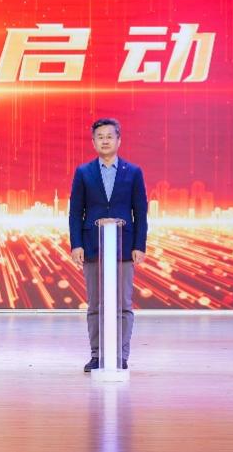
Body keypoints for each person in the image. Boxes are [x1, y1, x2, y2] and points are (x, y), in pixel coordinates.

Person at [68, 118, 148, 372]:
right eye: (100, 137)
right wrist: (76, 244)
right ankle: (97, 355)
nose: (105, 141)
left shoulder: (133, 172)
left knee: (123, 304)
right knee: (95, 305)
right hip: (93, 246)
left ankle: (120, 355)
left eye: (109, 136)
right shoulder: (84, 172)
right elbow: (75, 212)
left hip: (124, 246)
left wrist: (140, 245)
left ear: (118, 140)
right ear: (93, 142)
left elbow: (140, 212)